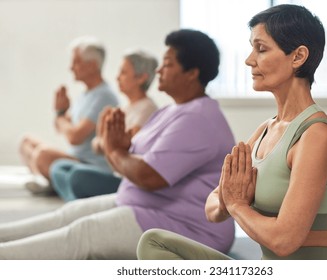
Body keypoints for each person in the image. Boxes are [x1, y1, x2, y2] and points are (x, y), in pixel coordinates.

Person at [0, 29, 235, 259]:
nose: (158, 70)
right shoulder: (171, 111)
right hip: (147, 205)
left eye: (168, 64)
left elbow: (148, 176)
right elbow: (135, 157)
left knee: (83, 233)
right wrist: (121, 146)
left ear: (192, 73)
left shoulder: (197, 118)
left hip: (189, 229)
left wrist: (113, 149)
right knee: (69, 214)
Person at [137, 4, 327, 260]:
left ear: (298, 57)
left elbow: (283, 241)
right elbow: (212, 208)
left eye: (261, 49)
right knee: (154, 242)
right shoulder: (264, 131)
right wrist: (230, 200)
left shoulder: (316, 136)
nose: (249, 60)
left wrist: (237, 205)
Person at [49, 50, 158, 201]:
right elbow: (99, 145)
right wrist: (102, 133)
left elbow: (127, 148)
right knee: (58, 167)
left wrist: (105, 140)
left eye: (123, 73)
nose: (117, 77)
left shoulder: (147, 110)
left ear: (141, 78)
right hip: (112, 172)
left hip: (125, 178)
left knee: (78, 176)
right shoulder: (124, 109)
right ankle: (76, 202)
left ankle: (76, 202)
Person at [19, 36, 119, 194]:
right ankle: (51, 182)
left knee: (43, 154)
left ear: (92, 65)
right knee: (26, 142)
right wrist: (61, 112)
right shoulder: (86, 94)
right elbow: (62, 128)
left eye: (76, 62)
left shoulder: (104, 96)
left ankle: (51, 184)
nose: (71, 68)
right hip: (74, 157)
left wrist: (61, 118)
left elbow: (75, 137)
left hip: (90, 166)